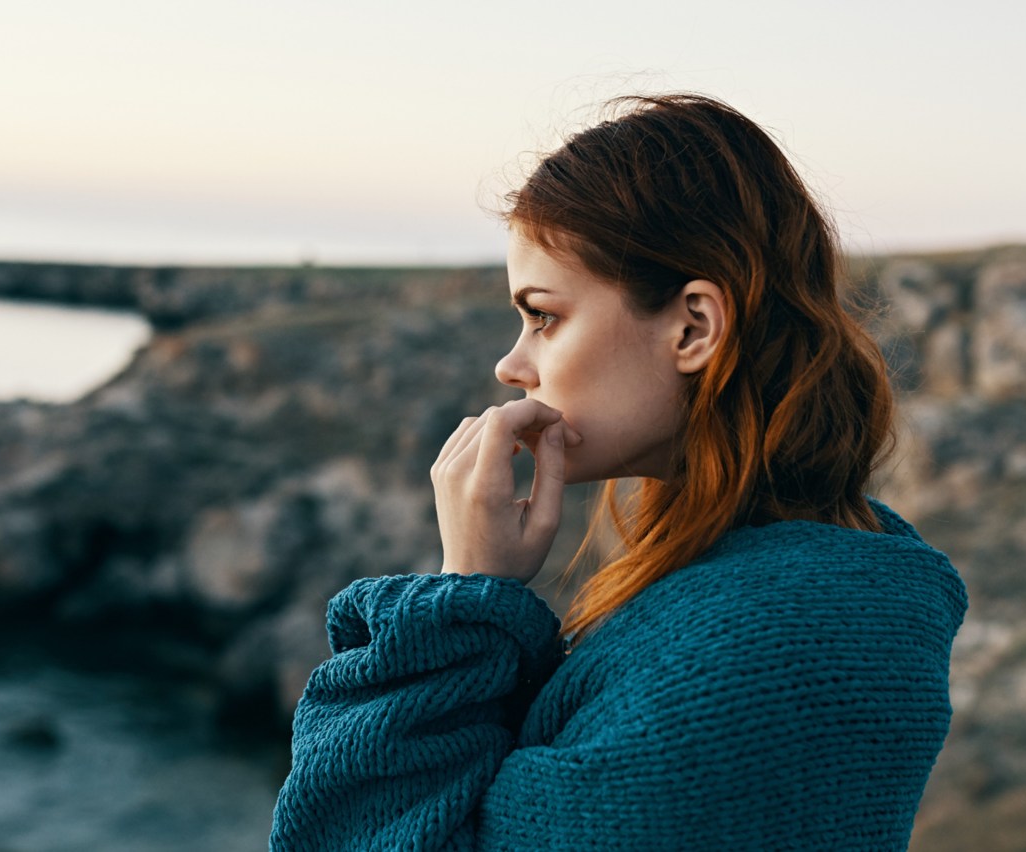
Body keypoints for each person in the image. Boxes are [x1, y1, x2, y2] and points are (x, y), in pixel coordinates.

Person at [268, 94, 967, 850]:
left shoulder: (756, 651)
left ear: (694, 327)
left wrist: (462, 598)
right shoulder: (802, 578)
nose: (511, 365)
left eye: (544, 316)